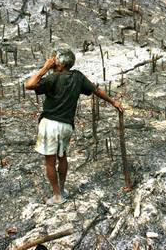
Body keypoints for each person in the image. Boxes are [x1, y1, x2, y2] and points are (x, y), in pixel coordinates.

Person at [25, 48, 123, 205]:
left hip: (50, 124)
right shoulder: (77, 76)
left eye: (55, 60)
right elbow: (96, 90)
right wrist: (114, 102)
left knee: (50, 161)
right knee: (62, 156)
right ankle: (62, 190)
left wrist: (45, 68)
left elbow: (29, 85)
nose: (52, 61)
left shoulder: (53, 78)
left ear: (61, 64)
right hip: (66, 126)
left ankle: (57, 196)